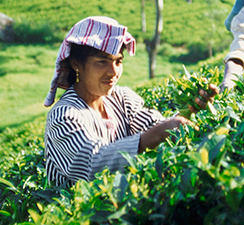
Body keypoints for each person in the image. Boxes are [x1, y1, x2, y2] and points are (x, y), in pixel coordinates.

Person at [44, 16, 215, 188]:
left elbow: (154, 126)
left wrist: (189, 110)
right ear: (76, 64)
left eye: (118, 61)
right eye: (102, 62)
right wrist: (157, 134)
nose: (113, 72)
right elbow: (91, 163)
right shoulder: (64, 116)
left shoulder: (122, 99)